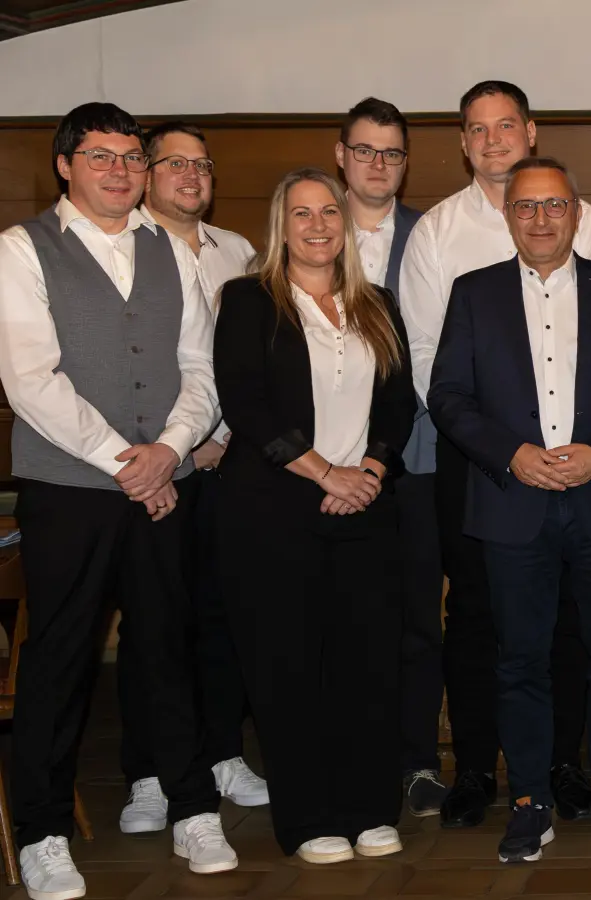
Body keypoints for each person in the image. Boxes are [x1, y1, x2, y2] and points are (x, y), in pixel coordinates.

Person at [0, 102, 237, 900]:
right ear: (66, 164)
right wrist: (123, 461)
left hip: (167, 480)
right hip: (69, 489)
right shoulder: (22, 250)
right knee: (59, 661)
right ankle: (41, 832)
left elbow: (200, 369)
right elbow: (31, 379)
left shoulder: (170, 250)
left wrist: (170, 448)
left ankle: (191, 807)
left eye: (133, 158)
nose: (120, 170)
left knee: (168, 649)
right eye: (101, 156)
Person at [427, 156, 591, 863]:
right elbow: (449, 397)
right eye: (527, 207)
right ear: (509, 217)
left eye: (554, 206)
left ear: (576, 213)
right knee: (520, 662)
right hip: (513, 504)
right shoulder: (473, 294)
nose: (541, 219)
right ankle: (530, 802)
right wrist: (512, 454)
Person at [398, 80, 591, 827]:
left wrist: (577, 450)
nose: (492, 140)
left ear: (530, 130)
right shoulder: (437, 233)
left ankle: (561, 764)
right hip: (483, 461)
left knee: (569, 619)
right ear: (463, 142)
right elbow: (430, 361)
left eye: (505, 125)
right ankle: (480, 769)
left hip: (578, 460)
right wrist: (508, 450)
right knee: (482, 618)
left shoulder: (582, 220)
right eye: (477, 129)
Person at [213, 168, 415, 864]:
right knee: (288, 670)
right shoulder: (248, 300)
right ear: (282, 226)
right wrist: (325, 472)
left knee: (367, 668)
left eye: (329, 211)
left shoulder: (376, 303)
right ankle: (307, 819)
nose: (318, 225)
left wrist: (371, 472)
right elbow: (246, 406)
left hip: (365, 509)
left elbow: (397, 403)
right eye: (301, 214)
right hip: (273, 516)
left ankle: (369, 808)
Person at [115, 120, 268, 837]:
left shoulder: (237, 252)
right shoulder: (126, 249)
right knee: (153, 627)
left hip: (227, 468)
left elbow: (248, 365)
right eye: (176, 163)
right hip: (156, 471)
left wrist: (226, 444)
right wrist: (181, 452)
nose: (193, 176)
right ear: (145, 172)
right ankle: (149, 771)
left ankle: (219, 755)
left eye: (203, 165)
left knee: (222, 617)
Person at [332, 96, 446, 818]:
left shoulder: (430, 236)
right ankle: (345, 758)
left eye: (393, 153)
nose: (379, 164)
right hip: (326, 465)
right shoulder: (305, 226)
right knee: (339, 615)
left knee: (416, 617)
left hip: (416, 458)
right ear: (341, 153)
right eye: (366, 150)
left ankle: (416, 762)